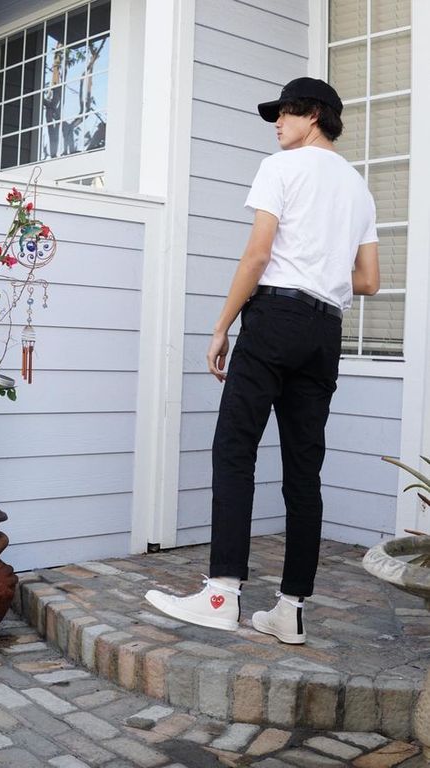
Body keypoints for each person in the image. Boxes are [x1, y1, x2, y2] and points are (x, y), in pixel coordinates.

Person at [145, 77, 380, 643]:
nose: (277, 122)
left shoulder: (282, 168)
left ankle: (222, 594)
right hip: (324, 331)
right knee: (304, 470)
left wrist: (221, 326)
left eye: (285, 112)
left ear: (315, 115)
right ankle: (290, 610)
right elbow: (369, 280)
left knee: (234, 448)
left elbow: (257, 254)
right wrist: (322, 270)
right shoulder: (359, 189)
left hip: (274, 319)